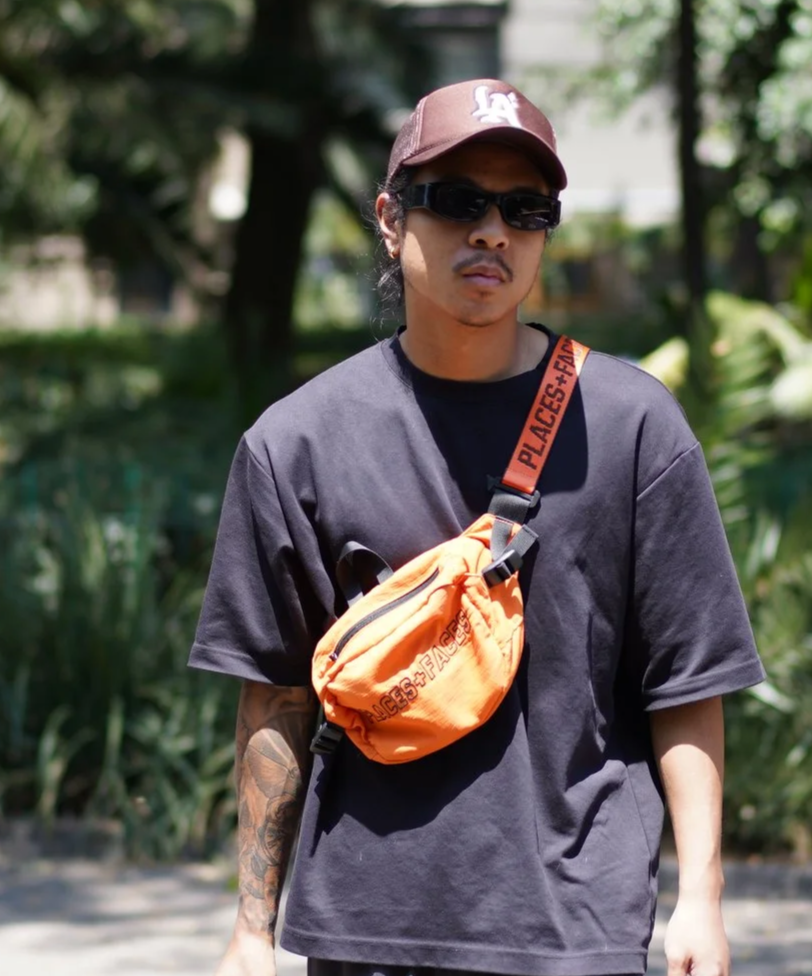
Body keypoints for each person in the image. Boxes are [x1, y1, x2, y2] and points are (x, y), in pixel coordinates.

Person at [189, 78, 765, 976]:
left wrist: (700, 899)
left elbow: (687, 682)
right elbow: (275, 698)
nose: (492, 231)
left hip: (577, 929)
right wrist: (251, 931)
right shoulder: (295, 442)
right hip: (367, 928)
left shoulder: (632, 426)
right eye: (457, 201)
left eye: (525, 208)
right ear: (390, 218)